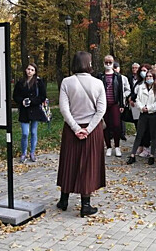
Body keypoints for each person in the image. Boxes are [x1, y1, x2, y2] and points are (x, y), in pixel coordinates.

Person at [57, 51, 106, 217]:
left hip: (72, 130)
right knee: (88, 165)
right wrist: (88, 129)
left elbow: (64, 109)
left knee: (68, 162)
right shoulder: (98, 83)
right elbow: (101, 110)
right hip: (92, 131)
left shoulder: (66, 82)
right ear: (88, 64)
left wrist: (75, 128)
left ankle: (63, 200)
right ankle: (86, 204)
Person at [12, 63, 47, 163]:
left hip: (35, 110)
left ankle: (32, 153)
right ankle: (23, 153)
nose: (29, 71)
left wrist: (32, 101)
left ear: (35, 72)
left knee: (33, 132)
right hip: (24, 111)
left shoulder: (38, 82)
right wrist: (22, 101)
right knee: (25, 133)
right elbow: (15, 96)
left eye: (32, 70)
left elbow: (42, 96)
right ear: (25, 70)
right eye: (28, 69)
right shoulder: (20, 82)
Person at [127, 69, 156, 165]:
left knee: (153, 135)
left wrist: (149, 108)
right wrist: (142, 108)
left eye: (150, 76)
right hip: (143, 113)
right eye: (147, 76)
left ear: (154, 78)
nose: (148, 78)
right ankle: (133, 155)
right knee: (139, 134)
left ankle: (152, 155)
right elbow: (137, 99)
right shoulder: (141, 87)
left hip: (154, 113)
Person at [98, 55, 125, 157]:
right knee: (105, 126)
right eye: (106, 62)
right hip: (103, 104)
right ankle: (108, 146)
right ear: (104, 63)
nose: (108, 64)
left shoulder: (117, 76)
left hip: (114, 103)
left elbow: (120, 91)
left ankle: (117, 146)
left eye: (110, 62)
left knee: (117, 125)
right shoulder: (100, 76)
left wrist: (122, 104)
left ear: (113, 63)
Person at [114, 62, 131, 141]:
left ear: (119, 68)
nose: (114, 69)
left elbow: (128, 90)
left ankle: (122, 133)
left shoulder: (123, 78)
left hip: (121, 101)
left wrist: (123, 95)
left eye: (116, 67)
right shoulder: (108, 78)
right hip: (112, 100)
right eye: (113, 67)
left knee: (121, 118)